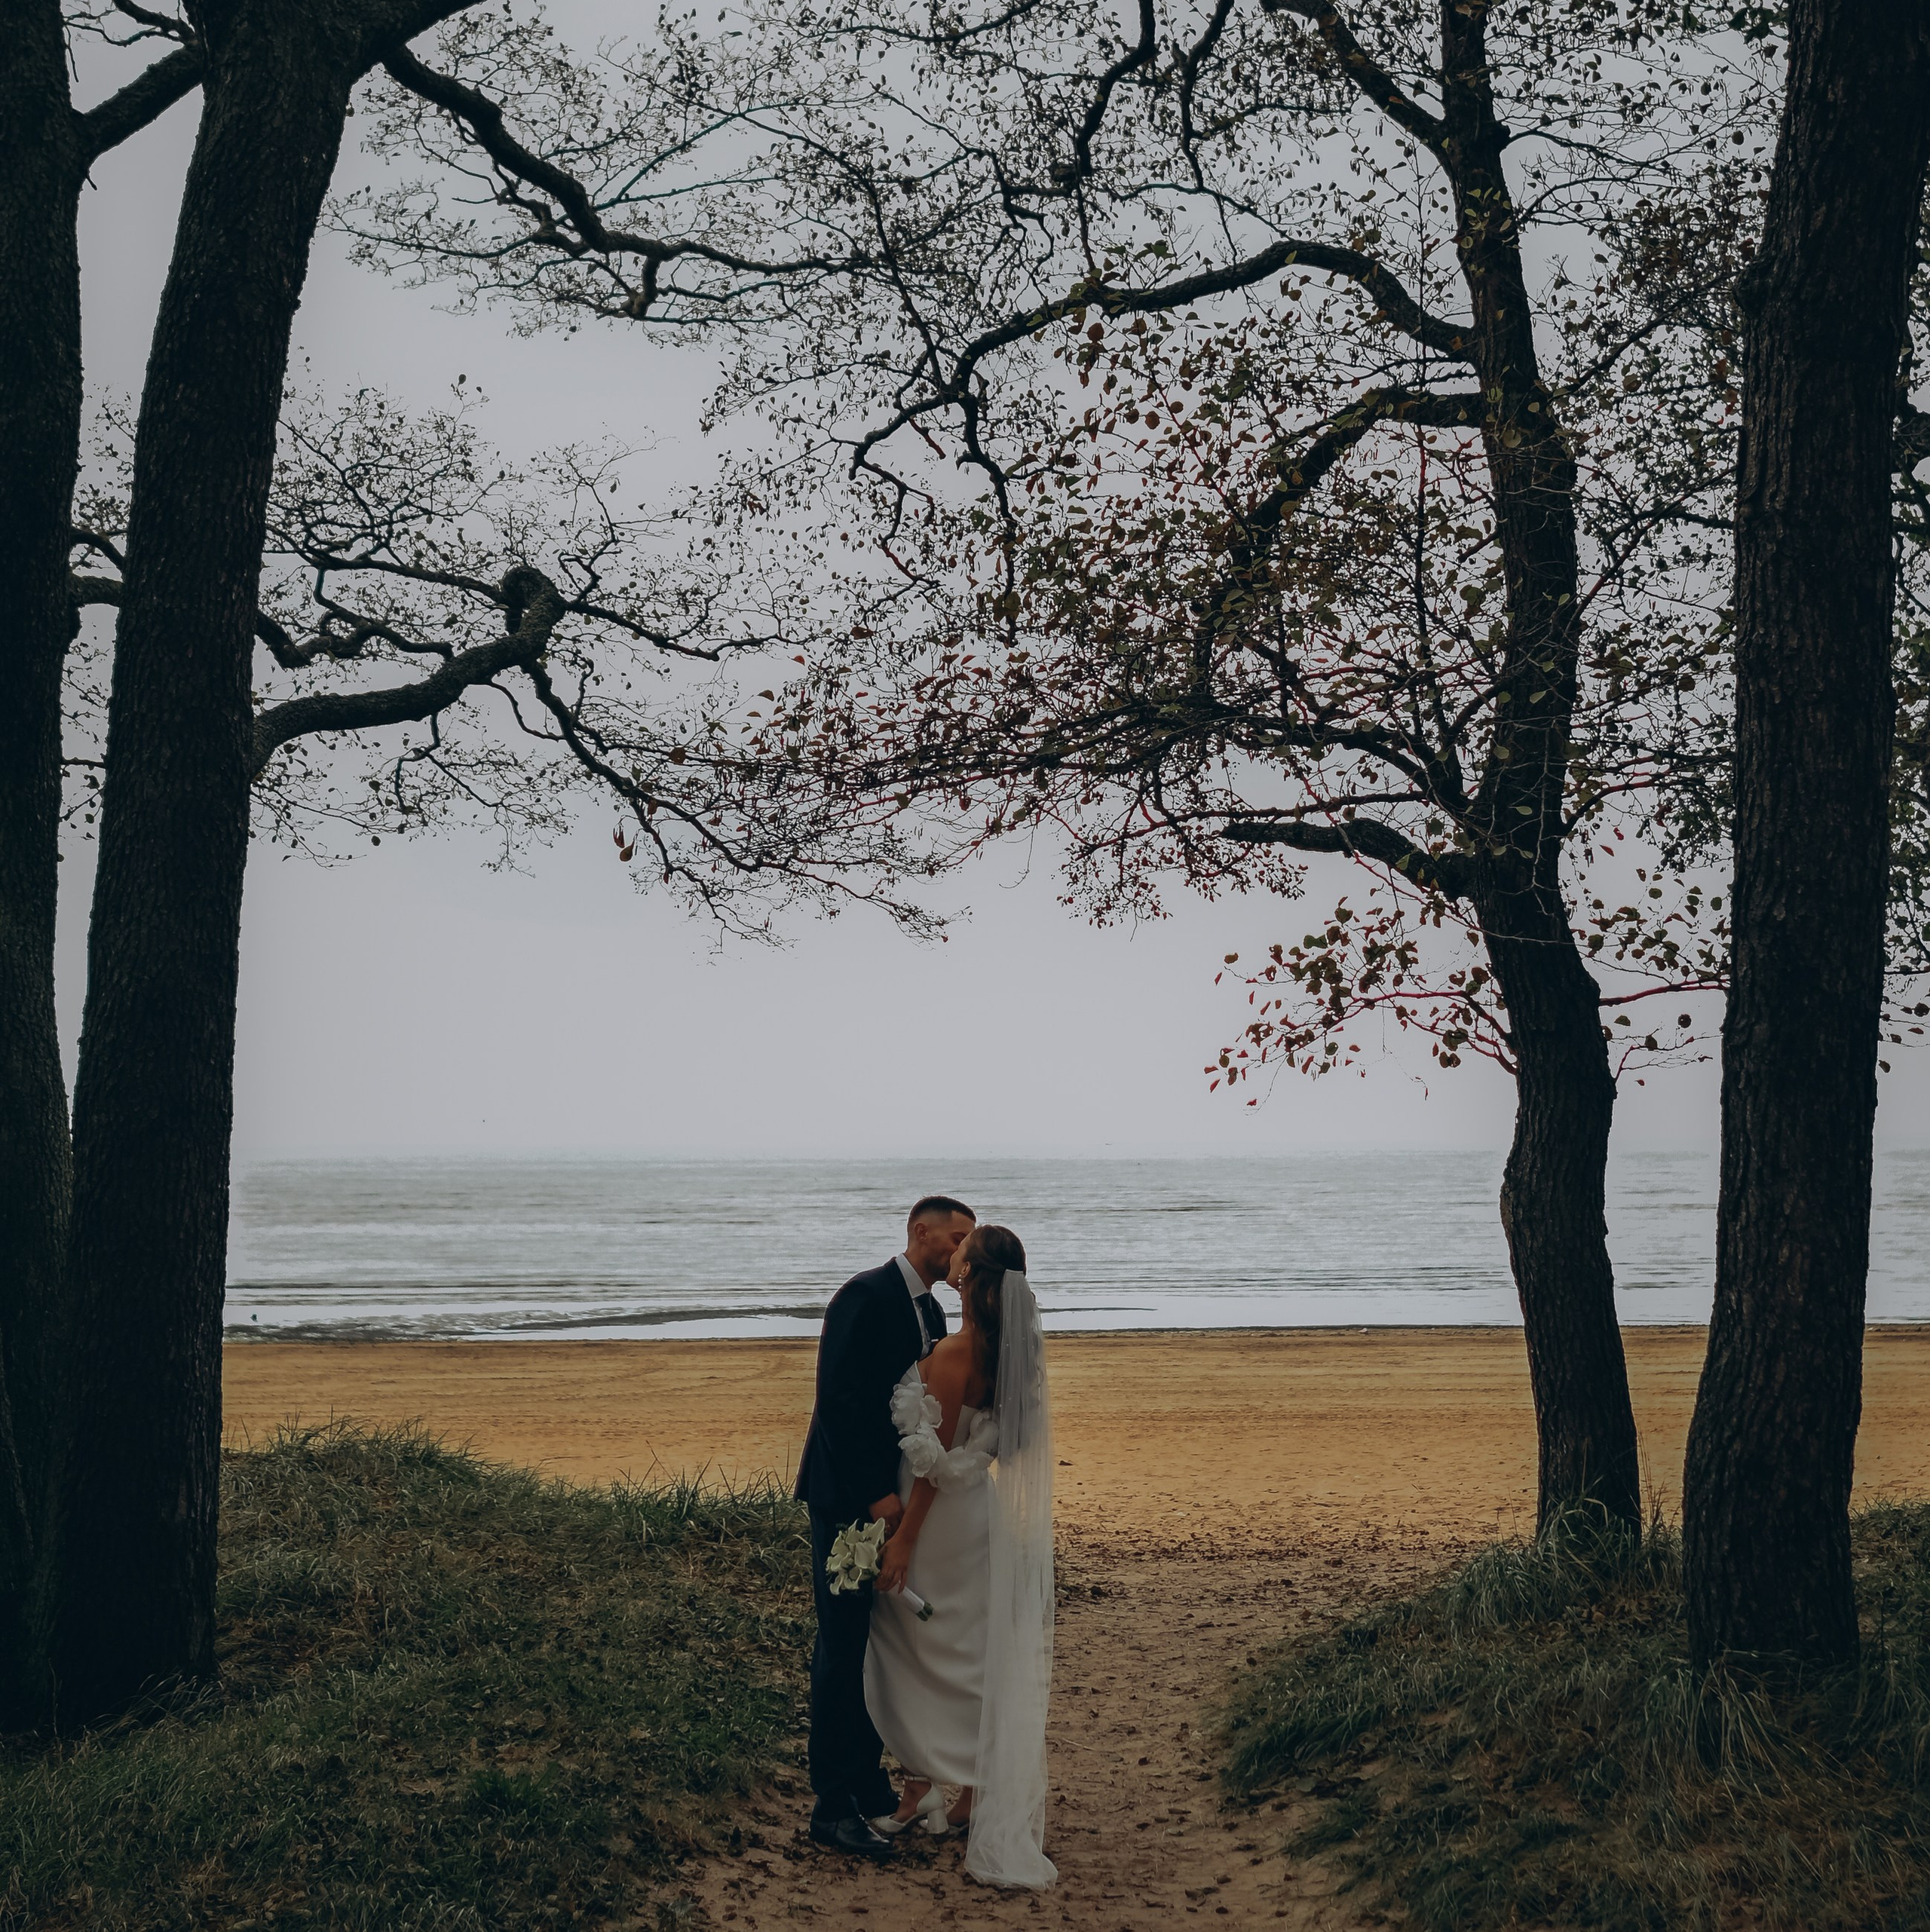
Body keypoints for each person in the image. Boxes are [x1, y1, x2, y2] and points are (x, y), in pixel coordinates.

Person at [866, 1224, 1058, 1890]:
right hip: (981, 1515)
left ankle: (920, 1783)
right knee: (970, 1647)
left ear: (972, 1274)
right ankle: (969, 1789)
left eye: (963, 1252)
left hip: (941, 1521)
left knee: (904, 1642)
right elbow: (993, 1449)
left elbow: (932, 1468)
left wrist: (905, 1540)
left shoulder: (953, 1353)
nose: (953, 1256)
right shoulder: (1012, 1351)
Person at [794, 1194, 976, 1858]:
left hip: (888, 1503)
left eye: (968, 1244)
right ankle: (830, 1805)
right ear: (919, 1231)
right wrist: (876, 1496)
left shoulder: (928, 1309)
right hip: (847, 1499)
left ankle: (868, 1784)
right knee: (841, 1649)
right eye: (954, 1239)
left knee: (876, 1650)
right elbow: (839, 1402)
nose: (960, 1254)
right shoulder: (863, 1296)